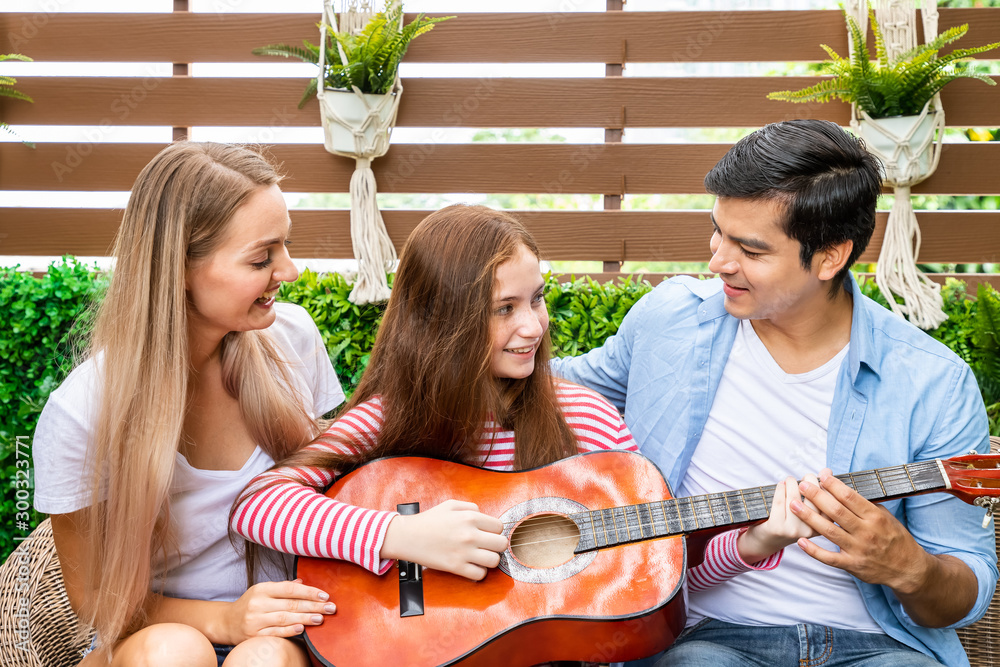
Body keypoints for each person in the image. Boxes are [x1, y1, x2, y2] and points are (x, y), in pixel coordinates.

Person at [550, 119, 997, 667]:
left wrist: (911, 569)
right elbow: (546, 393)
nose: (717, 262)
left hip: (879, 647)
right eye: (718, 232)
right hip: (705, 637)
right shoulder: (669, 322)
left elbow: (966, 589)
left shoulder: (933, 381)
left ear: (830, 256)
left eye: (751, 250)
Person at [229, 205, 641, 663]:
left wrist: (738, 549)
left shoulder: (584, 419)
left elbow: (657, 550)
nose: (532, 326)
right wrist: (402, 536)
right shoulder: (389, 419)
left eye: (537, 299)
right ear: (442, 321)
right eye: (504, 308)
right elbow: (257, 504)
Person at [32, 142, 344, 666]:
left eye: (286, 246)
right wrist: (224, 620)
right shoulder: (84, 412)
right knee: (175, 653)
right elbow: (95, 606)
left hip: (282, 636)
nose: (288, 271)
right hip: (149, 637)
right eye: (262, 257)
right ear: (177, 267)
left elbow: (338, 496)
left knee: (266, 658)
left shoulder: (292, 337)